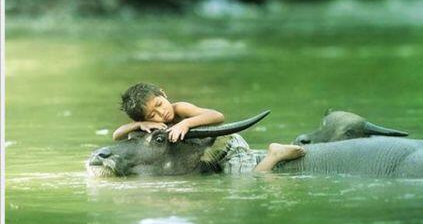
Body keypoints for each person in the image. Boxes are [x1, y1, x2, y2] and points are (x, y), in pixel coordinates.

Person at [113, 82, 305, 173]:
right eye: (151, 115)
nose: (160, 113)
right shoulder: (150, 124)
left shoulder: (180, 108)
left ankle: (275, 154)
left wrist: (185, 123)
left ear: (163, 93)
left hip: (224, 146)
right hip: (204, 153)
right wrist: (138, 124)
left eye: (159, 104)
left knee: (250, 179)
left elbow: (217, 116)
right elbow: (117, 135)